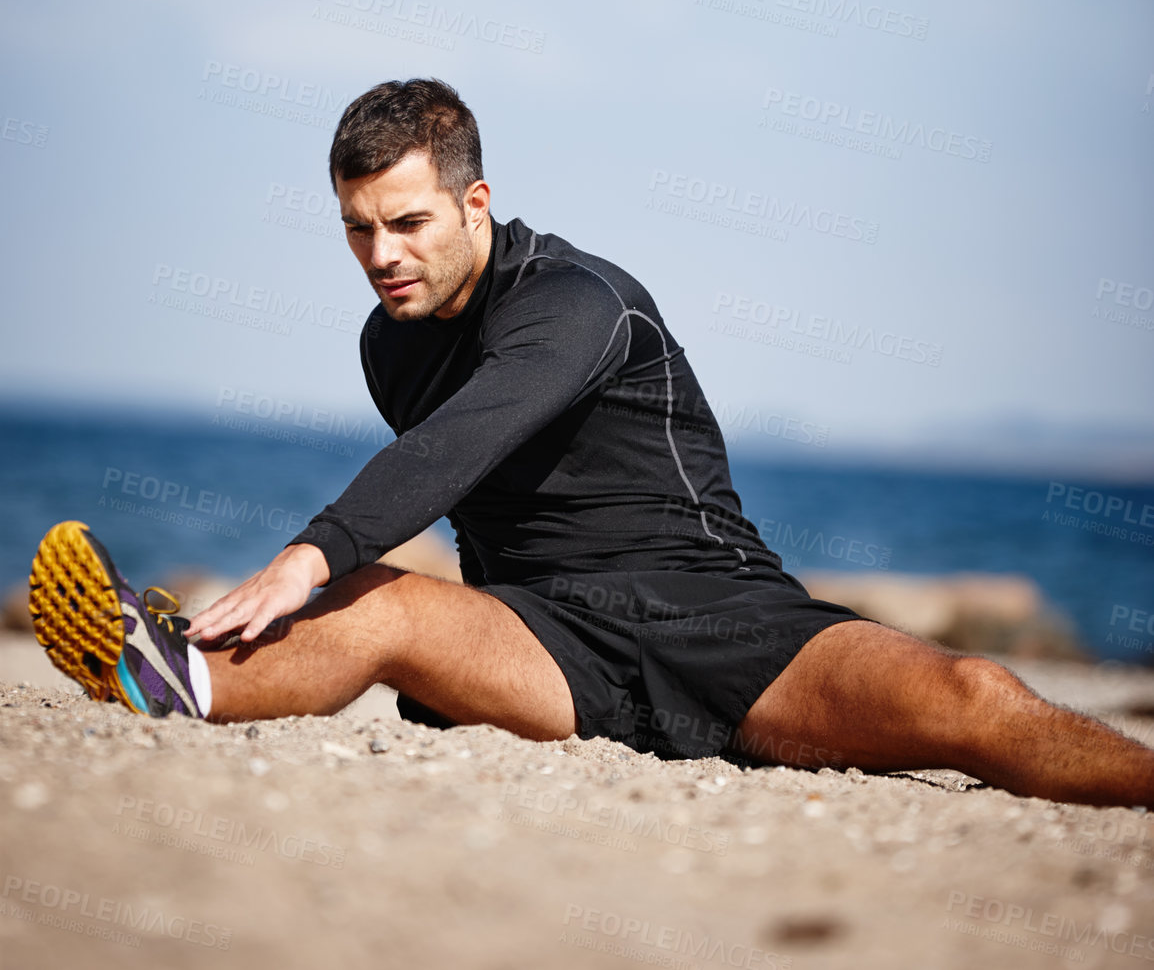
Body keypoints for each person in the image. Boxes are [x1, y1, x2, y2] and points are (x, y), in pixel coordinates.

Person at [30, 79, 1153, 806]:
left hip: (721, 620)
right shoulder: (391, 342)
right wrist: (374, 597)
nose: (381, 253)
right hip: (549, 640)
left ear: (476, 201)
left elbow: (462, 445)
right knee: (389, 605)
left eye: (408, 221)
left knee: (964, 698)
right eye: (357, 229)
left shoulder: (577, 301)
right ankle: (168, 672)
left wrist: (307, 549)